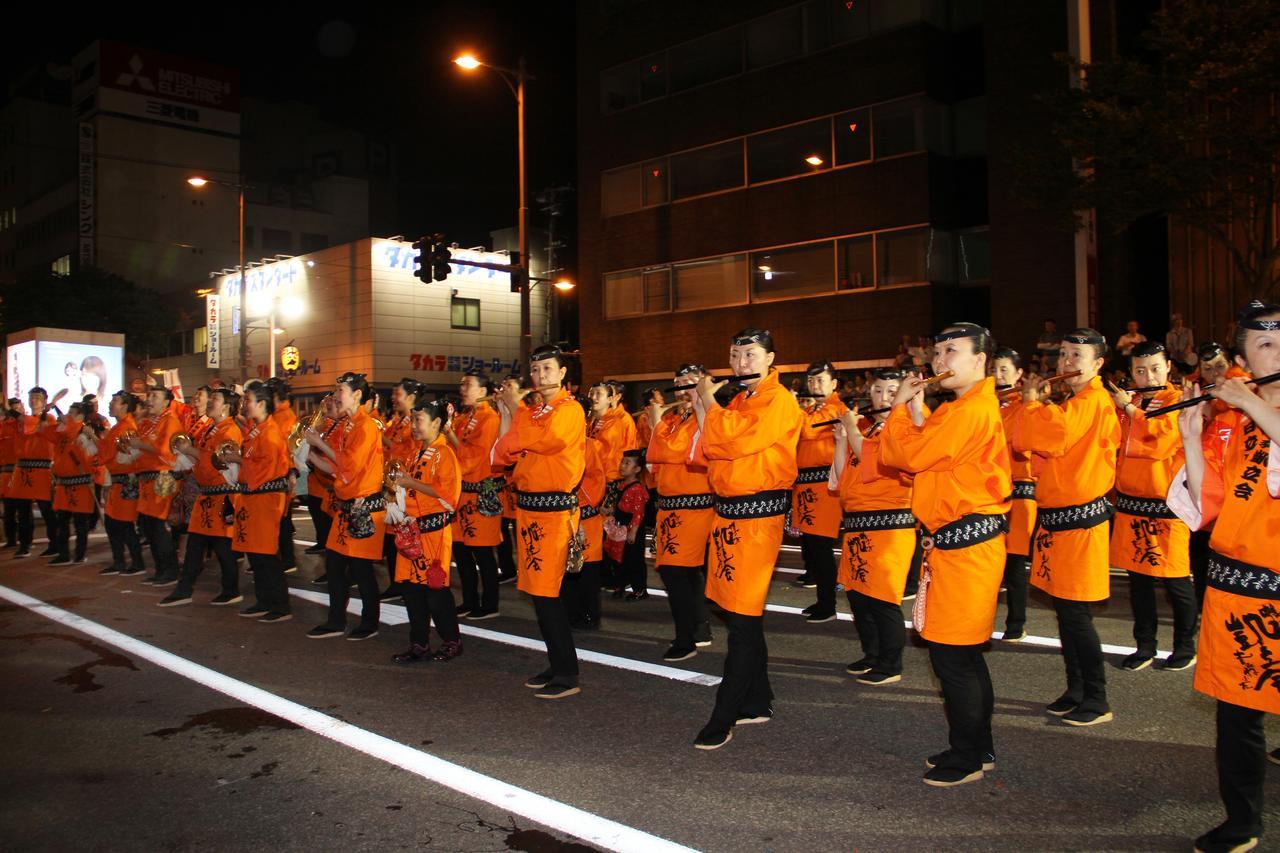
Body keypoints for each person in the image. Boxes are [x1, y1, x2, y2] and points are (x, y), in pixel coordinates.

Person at [1168, 299, 1280, 853]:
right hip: (1237, 588)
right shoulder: (1237, 425)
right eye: (1265, 345)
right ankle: (1243, 820)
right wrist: (1192, 437)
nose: (1279, 352)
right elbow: (1208, 505)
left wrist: (1250, 407)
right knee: (1237, 715)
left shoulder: (1253, 415)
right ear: (1244, 360)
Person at [879, 323, 1011, 786]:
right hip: (959, 542)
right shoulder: (959, 407)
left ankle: (969, 754)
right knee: (963, 657)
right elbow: (926, 455)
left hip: (966, 545)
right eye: (937, 352)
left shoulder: (970, 409)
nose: (940, 361)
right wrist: (915, 411)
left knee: (954, 658)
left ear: (981, 360)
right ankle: (977, 747)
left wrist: (898, 411)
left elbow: (907, 458)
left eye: (952, 351)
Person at [690, 328, 803, 750]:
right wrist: (711, 406)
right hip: (729, 517)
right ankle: (758, 700)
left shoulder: (780, 400)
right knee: (741, 615)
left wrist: (708, 403)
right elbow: (708, 449)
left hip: (758, 518)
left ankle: (726, 712)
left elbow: (732, 442)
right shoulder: (740, 400)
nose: (741, 363)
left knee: (742, 619)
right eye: (735, 355)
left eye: (751, 354)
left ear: (771, 358)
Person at [1008, 328, 1121, 727]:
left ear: (1098, 364)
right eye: (1064, 355)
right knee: (1065, 612)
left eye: (1077, 356)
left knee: (1075, 614)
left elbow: (1050, 436)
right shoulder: (1075, 401)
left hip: (1080, 521)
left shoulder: (1093, 400)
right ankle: (1076, 689)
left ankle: (1097, 696)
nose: (1067, 363)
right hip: (1059, 519)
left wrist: (1031, 402)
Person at [492, 346, 586, 698]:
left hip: (553, 509)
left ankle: (567, 672)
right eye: (535, 368)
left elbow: (545, 440)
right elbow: (506, 451)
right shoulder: (532, 412)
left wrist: (516, 422)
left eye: (548, 368)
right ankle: (558, 663)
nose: (541, 374)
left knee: (547, 594)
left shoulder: (569, 409)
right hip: (530, 510)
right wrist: (515, 418)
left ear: (563, 373)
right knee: (538, 593)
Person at [1106, 341, 1198, 671]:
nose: (1148, 376)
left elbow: (1160, 441)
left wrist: (1130, 411)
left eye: (1155, 368)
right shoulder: (1126, 399)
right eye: (1140, 370)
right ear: (1131, 372)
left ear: (1168, 367)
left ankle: (1186, 644)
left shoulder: (1178, 399)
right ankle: (1145, 644)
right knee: (1139, 580)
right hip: (1131, 501)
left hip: (1165, 500)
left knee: (1175, 578)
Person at [833, 368, 917, 686]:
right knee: (858, 596)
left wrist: (851, 429)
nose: (883, 397)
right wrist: (842, 440)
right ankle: (872, 654)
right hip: (858, 525)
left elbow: (871, 462)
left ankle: (890, 662)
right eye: (878, 391)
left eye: (891, 391)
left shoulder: (905, 428)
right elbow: (843, 480)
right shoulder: (867, 431)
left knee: (883, 598)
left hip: (889, 523)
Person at [304, 372, 387, 641]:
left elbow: (349, 465)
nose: (336, 395)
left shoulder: (367, 426)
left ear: (357, 395)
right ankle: (336, 620)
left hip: (364, 508)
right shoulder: (349, 425)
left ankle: (369, 622)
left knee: (362, 571)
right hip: (347, 506)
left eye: (341, 390)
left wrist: (319, 445)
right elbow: (338, 468)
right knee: (337, 567)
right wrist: (312, 456)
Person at [646, 364, 715, 661]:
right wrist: (658, 429)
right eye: (679, 383)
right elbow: (653, 460)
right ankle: (699, 629)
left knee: (677, 574)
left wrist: (659, 429)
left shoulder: (708, 415)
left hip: (695, 504)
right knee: (686, 574)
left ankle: (685, 638)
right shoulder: (674, 419)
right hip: (669, 505)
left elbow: (682, 453)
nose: (684, 389)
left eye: (691, 382)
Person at [388, 397, 464, 662]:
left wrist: (410, 483)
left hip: (433, 533)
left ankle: (452, 640)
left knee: (435, 591)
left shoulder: (445, 454)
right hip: (413, 532)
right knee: (412, 591)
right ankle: (419, 643)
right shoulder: (414, 453)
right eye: (414, 419)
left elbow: (449, 498)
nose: (415, 425)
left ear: (437, 423)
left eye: (419, 420)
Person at [159, 388, 243, 608]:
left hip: (223, 496)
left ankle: (229, 589)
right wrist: (185, 453)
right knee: (196, 545)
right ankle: (185, 588)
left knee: (223, 546)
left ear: (226, 406)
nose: (210, 402)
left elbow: (219, 461)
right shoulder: (211, 429)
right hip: (207, 496)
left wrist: (190, 451)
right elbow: (201, 459)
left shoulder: (231, 430)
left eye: (215, 399)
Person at [445, 369, 505, 620]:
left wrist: (450, 435)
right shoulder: (464, 418)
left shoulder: (489, 418)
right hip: (462, 493)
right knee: (461, 551)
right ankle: (469, 600)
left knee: (483, 552)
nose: (462, 389)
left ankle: (490, 604)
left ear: (483, 391)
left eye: (467, 385)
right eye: (461, 384)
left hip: (481, 492)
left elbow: (473, 458)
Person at [230, 384, 292, 621]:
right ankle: (264, 600)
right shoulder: (256, 429)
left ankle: (280, 605)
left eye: (249, 400)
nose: (246, 405)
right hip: (253, 498)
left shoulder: (271, 432)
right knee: (255, 553)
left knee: (266, 554)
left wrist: (238, 458)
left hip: (265, 499)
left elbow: (263, 469)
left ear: (263, 405)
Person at [791, 361, 848, 622]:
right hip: (805, 485)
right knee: (812, 547)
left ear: (834, 384)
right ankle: (822, 601)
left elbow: (804, 430)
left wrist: (791, 409)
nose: (814, 386)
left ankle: (828, 603)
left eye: (820, 381)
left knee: (821, 547)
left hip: (823, 486)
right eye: (811, 381)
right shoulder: (815, 409)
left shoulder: (836, 409)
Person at [993, 348, 1036, 642]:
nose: (998, 376)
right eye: (994, 370)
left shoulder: (1026, 406)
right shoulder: (985, 404)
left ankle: (1016, 622)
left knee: (1015, 562)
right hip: (992, 491)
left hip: (1020, 490)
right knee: (992, 559)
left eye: (1005, 370)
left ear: (1019, 375)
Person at [128, 387, 184, 586]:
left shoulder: (170, 421)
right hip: (146, 479)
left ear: (166, 402)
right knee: (147, 525)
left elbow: (164, 450)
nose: (150, 400)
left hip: (161, 478)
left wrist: (140, 445)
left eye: (155, 397)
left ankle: (169, 570)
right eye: (149, 395)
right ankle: (161, 568)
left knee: (158, 526)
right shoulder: (149, 422)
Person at [380, 378, 421, 603]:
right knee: (392, 538)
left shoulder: (414, 421)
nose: (394, 398)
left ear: (412, 397)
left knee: (405, 536)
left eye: (399, 394)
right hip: (392, 484)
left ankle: (405, 583)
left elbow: (408, 451)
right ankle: (398, 582)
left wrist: (381, 437)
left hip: (404, 485)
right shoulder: (398, 421)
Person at [98, 391, 146, 576]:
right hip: (119, 480)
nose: (111, 404)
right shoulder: (119, 427)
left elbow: (114, 456)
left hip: (126, 480)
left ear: (125, 406)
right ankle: (120, 561)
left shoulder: (127, 428)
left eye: (115, 401)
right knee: (113, 522)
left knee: (124, 524)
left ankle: (136, 562)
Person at [10, 386, 61, 558]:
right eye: (32, 397)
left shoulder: (49, 419)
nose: (34, 401)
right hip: (24, 467)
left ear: (44, 401)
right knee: (22, 510)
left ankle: (54, 543)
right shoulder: (25, 420)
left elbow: (39, 428)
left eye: (38, 398)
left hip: (41, 468)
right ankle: (25, 543)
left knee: (46, 509)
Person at [49, 403, 99, 566]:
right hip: (63, 484)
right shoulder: (64, 432)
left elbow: (90, 458)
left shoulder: (83, 435)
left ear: (80, 417)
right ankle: (63, 554)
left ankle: (79, 554)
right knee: (62, 521)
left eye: (71, 413)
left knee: (80, 523)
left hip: (80, 483)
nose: (67, 416)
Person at [605, 449, 649, 599]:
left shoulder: (638, 489)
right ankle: (620, 585)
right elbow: (620, 505)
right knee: (618, 558)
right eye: (622, 462)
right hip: (620, 528)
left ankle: (640, 590)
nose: (622, 466)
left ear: (637, 469)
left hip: (631, 528)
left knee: (634, 559)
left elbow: (639, 512)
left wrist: (633, 531)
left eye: (627, 463)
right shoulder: (621, 485)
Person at [268, 378, 299, 575]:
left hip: (282, 472)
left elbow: (288, 449)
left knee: (283, 518)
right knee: (280, 518)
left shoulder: (286, 417)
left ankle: (288, 559)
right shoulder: (277, 416)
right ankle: (284, 557)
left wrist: (291, 473)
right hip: (278, 472)